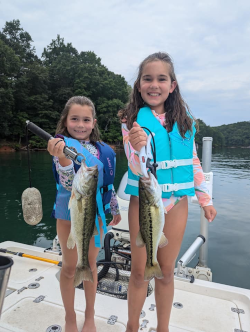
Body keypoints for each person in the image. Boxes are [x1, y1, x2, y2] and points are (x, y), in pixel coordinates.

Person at [119, 52, 217, 332]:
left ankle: (163, 328)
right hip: (145, 201)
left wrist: (205, 199)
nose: (154, 84)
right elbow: (136, 167)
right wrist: (137, 148)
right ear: (139, 85)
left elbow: (193, 162)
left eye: (162, 79)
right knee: (139, 273)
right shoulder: (131, 121)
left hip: (178, 203)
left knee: (165, 273)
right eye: (147, 79)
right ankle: (132, 326)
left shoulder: (185, 121)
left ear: (172, 86)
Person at [47, 96, 121, 332]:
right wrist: (63, 159)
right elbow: (68, 183)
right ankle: (70, 317)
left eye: (86, 120)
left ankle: (89, 316)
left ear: (94, 122)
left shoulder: (103, 151)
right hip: (70, 213)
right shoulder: (61, 147)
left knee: (90, 264)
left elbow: (107, 183)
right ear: (65, 121)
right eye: (75, 119)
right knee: (69, 267)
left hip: (98, 212)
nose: (80, 124)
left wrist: (115, 208)